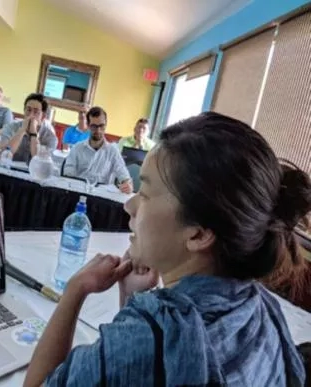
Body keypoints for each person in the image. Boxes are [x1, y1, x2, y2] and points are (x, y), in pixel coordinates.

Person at [25, 112, 309, 386]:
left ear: (198, 234)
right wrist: (130, 297)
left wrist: (75, 290)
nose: (129, 204)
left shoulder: (155, 335)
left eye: (145, 194)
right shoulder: (260, 307)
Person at [63, 106, 133, 194]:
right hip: (79, 192)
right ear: (88, 126)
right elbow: (68, 172)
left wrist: (126, 183)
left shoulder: (113, 151)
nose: (98, 130)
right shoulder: (77, 148)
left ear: (106, 124)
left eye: (101, 126)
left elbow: (122, 171)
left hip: (101, 197)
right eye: (94, 126)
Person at [0, 93, 58, 163]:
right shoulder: (10, 128)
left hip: (35, 173)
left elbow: (39, 161)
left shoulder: (50, 137)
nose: (31, 115)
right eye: (28, 110)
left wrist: (33, 133)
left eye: (36, 112)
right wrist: (22, 130)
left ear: (43, 116)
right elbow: (4, 154)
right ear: (24, 111)